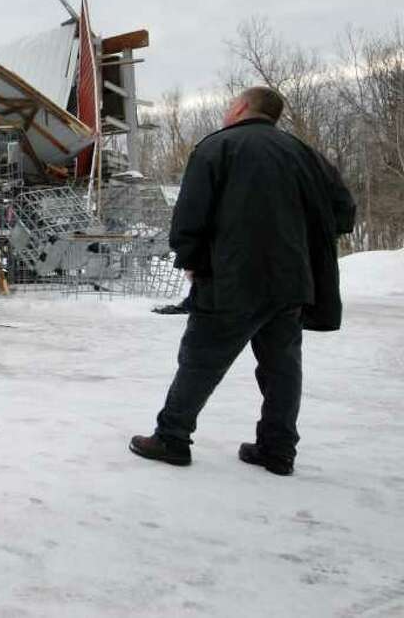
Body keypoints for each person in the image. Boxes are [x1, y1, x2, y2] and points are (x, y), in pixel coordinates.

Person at [129, 86, 355, 475]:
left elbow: (191, 214)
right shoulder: (305, 154)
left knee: (200, 359)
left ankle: (172, 437)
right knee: (282, 367)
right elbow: (344, 212)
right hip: (291, 283)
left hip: (231, 278)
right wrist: (300, 241)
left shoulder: (218, 147)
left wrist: (192, 258)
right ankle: (278, 449)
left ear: (241, 108)